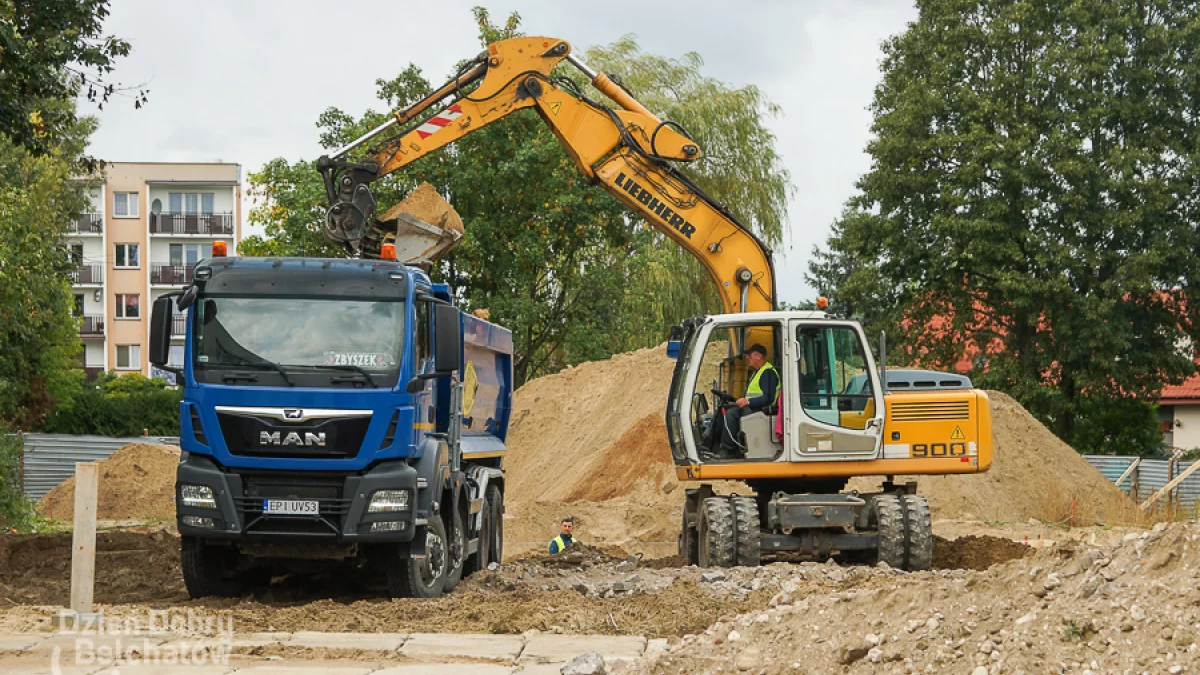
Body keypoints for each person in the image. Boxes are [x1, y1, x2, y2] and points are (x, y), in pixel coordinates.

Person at [720, 344, 779, 457]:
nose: (747, 358)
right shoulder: (758, 372)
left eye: (749, 355)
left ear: (758, 356)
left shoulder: (768, 373)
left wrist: (748, 402)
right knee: (725, 409)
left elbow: (768, 398)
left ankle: (729, 450)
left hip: (762, 410)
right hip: (755, 407)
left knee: (731, 414)